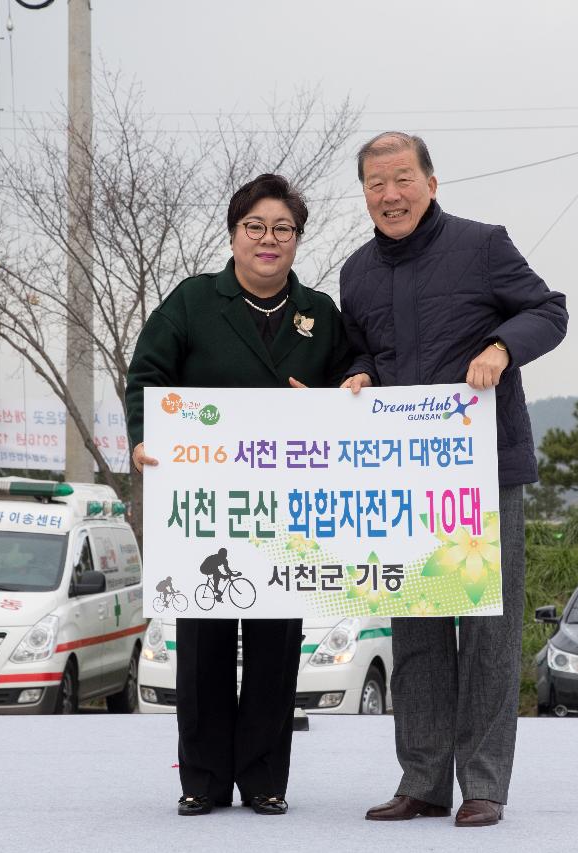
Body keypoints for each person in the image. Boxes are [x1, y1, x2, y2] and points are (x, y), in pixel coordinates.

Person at [338, 132, 568, 828]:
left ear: (431, 183)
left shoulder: (483, 244)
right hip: (404, 481)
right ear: (365, 194)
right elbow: (360, 350)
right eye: (377, 184)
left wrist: (501, 347)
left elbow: (549, 310)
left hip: (485, 470)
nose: (391, 195)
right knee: (417, 631)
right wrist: (356, 374)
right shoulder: (356, 272)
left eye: (403, 179)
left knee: (489, 629)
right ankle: (423, 779)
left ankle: (484, 783)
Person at [125, 173, 353, 818]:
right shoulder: (195, 301)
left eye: (283, 229)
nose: (268, 240)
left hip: (287, 509)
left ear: (297, 240)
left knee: (278, 646)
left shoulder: (319, 313)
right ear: (233, 234)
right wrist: (144, 439)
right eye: (255, 227)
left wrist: (351, 383)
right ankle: (201, 779)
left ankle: (264, 782)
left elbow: (353, 376)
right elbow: (147, 375)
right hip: (206, 508)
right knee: (204, 645)